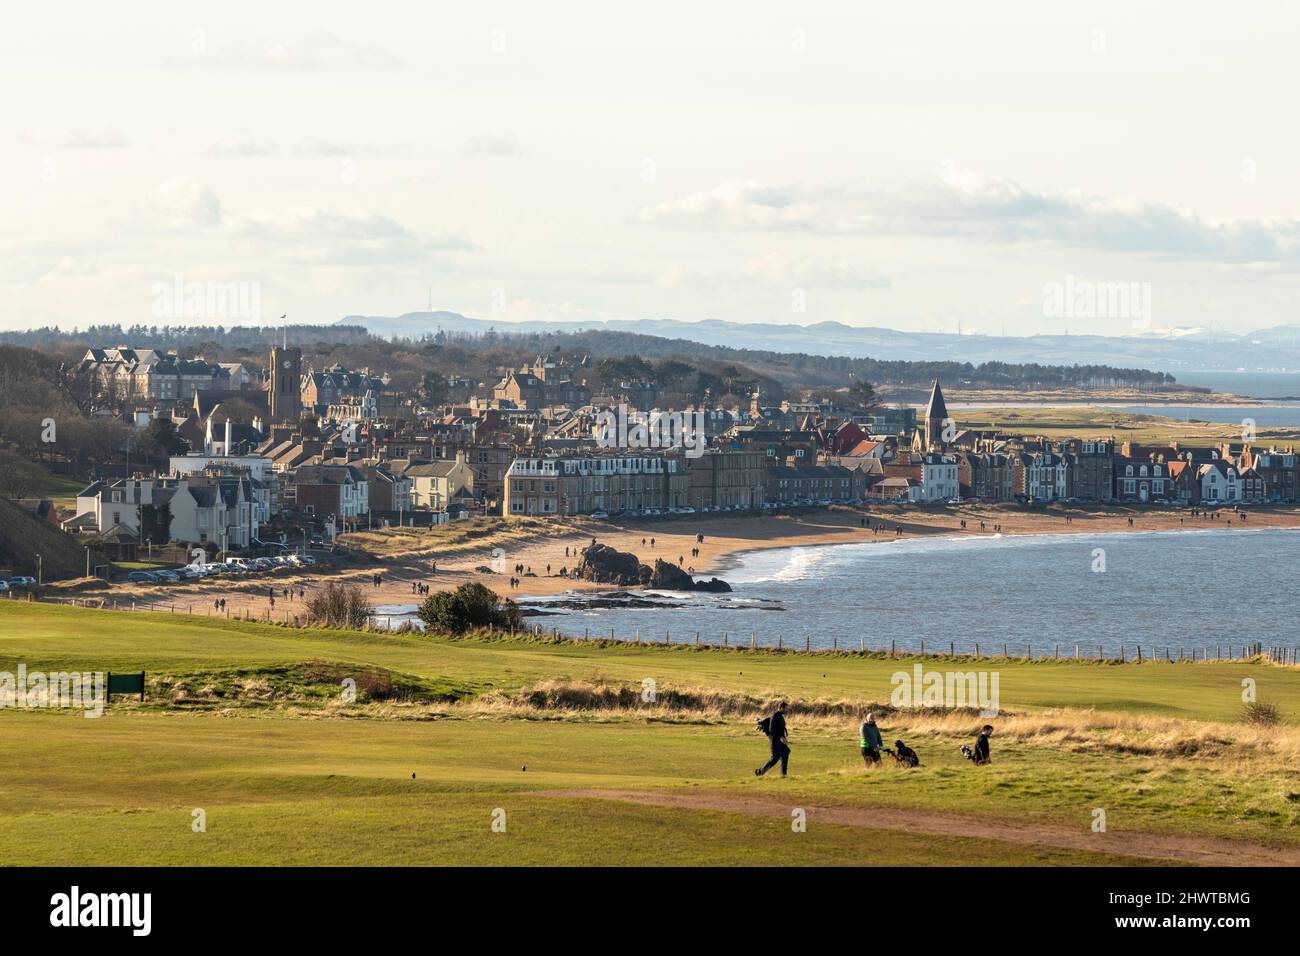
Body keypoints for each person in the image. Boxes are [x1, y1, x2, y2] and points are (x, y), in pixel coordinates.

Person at [754, 701, 791, 777]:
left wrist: (783, 738)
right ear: (781, 708)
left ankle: (783, 775)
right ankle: (760, 772)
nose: (786, 710)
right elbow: (772, 730)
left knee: (785, 753)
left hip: (780, 741)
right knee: (775, 758)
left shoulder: (780, 716)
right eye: (785, 709)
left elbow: (780, 729)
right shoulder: (775, 716)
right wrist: (781, 737)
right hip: (774, 741)